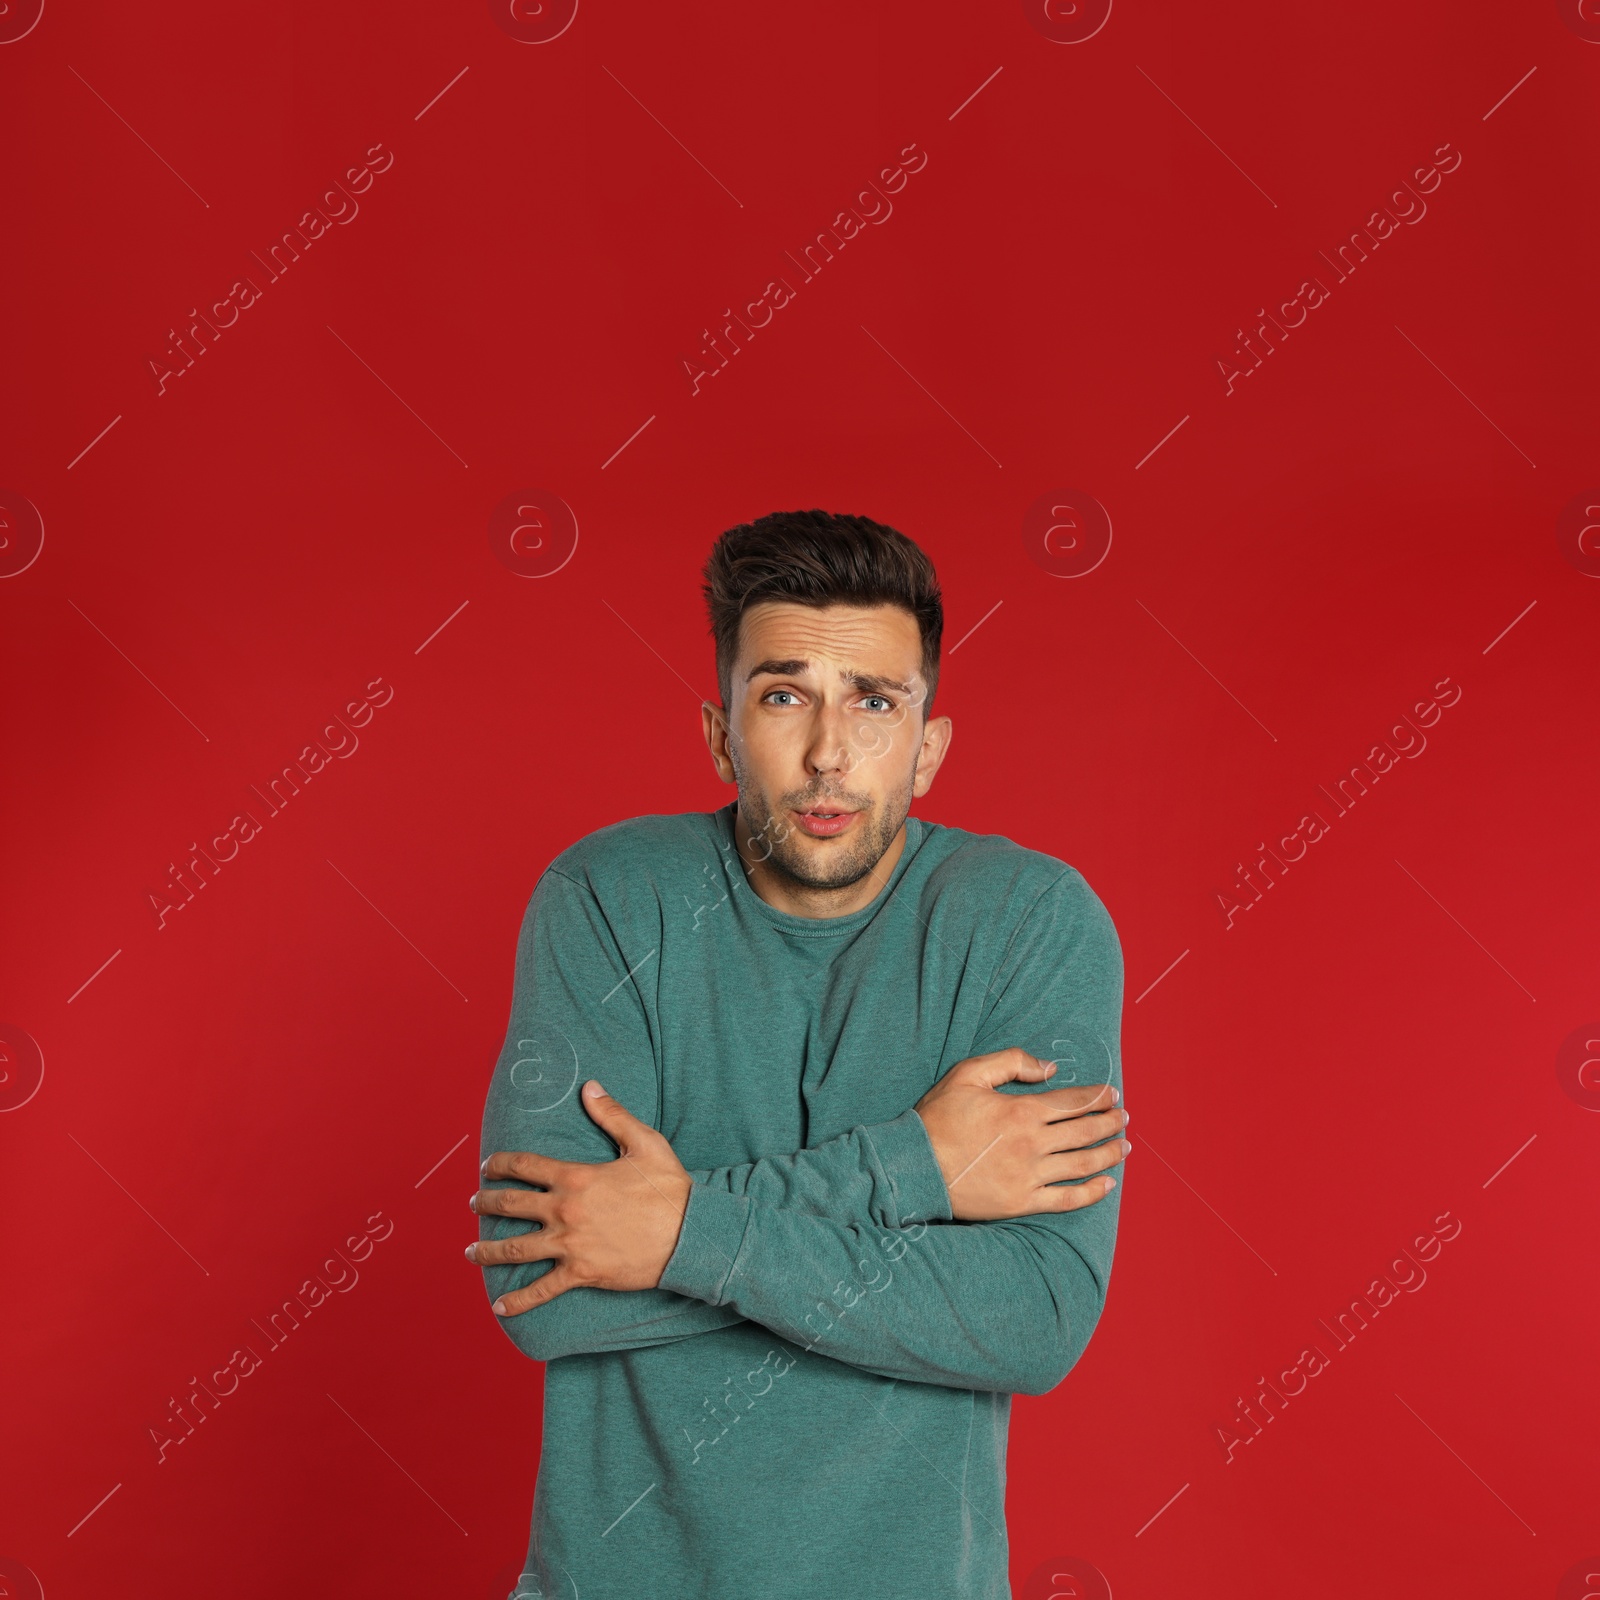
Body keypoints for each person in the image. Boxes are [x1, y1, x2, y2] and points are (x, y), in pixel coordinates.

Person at [469, 508, 1130, 1600]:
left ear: (929, 745)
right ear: (720, 734)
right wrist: (912, 1167)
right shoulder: (608, 899)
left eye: (875, 702)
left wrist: (672, 1230)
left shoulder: (1029, 922)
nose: (829, 751)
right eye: (784, 696)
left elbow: (1035, 1318)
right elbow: (551, 1284)